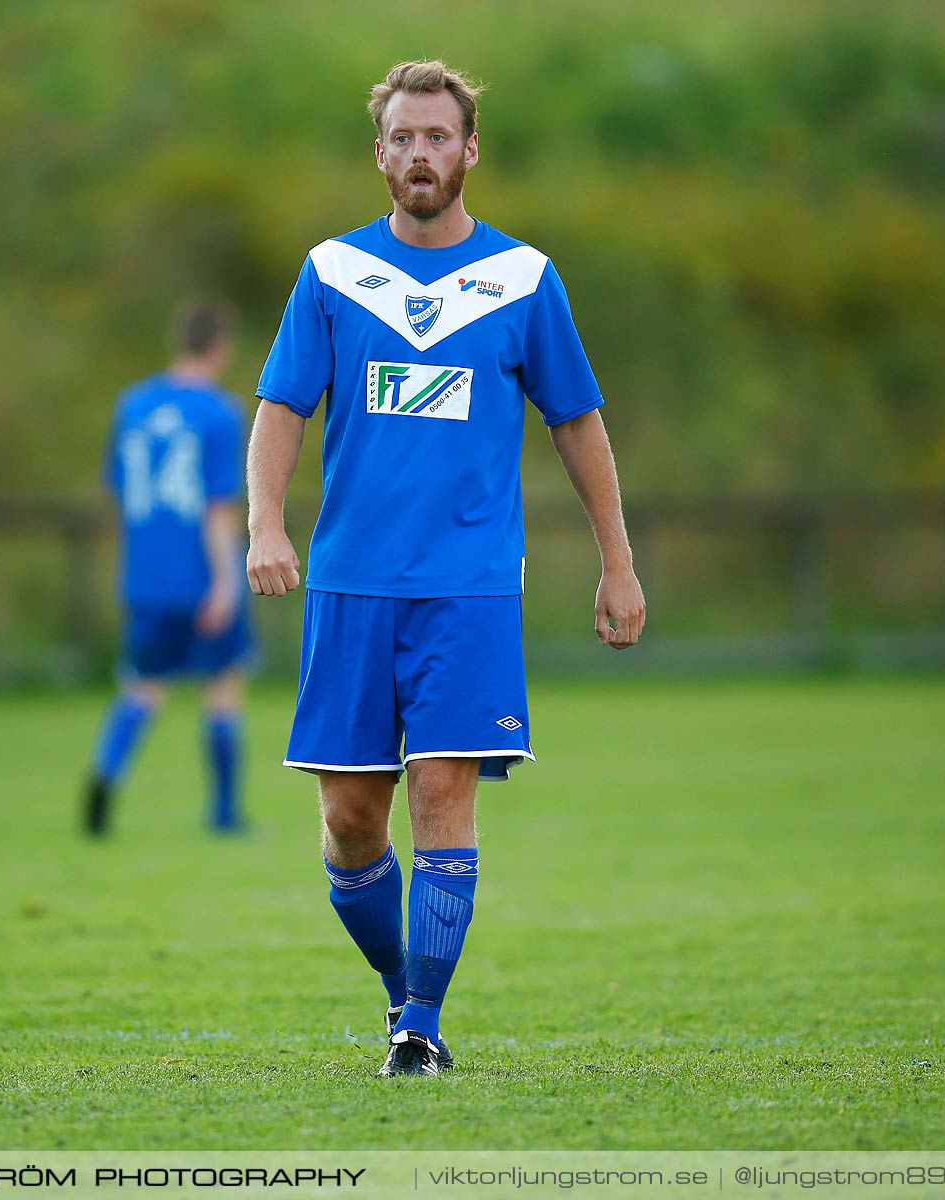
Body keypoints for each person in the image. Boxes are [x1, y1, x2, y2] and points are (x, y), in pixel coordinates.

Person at [245, 61, 646, 1077]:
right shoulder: (333, 274)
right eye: (402, 138)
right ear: (378, 154)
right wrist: (265, 525)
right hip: (349, 584)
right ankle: (399, 995)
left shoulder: (523, 279)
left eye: (437, 136)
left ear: (470, 151)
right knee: (349, 823)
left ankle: (422, 1024)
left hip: (467, 589)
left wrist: (618, 564)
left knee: (442, 798)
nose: (419, 153)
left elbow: (578, 422)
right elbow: (283, 408)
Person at [84, 301, 253, 838]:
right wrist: (227, 581)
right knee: (223, 687)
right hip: (201, 577)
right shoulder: (218, 412)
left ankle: (104, 777)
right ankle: (224, 814)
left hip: (147, 578)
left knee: (143, 687)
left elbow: (120, 493)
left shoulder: (132, 404)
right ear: (220, 346)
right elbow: (217, 505)